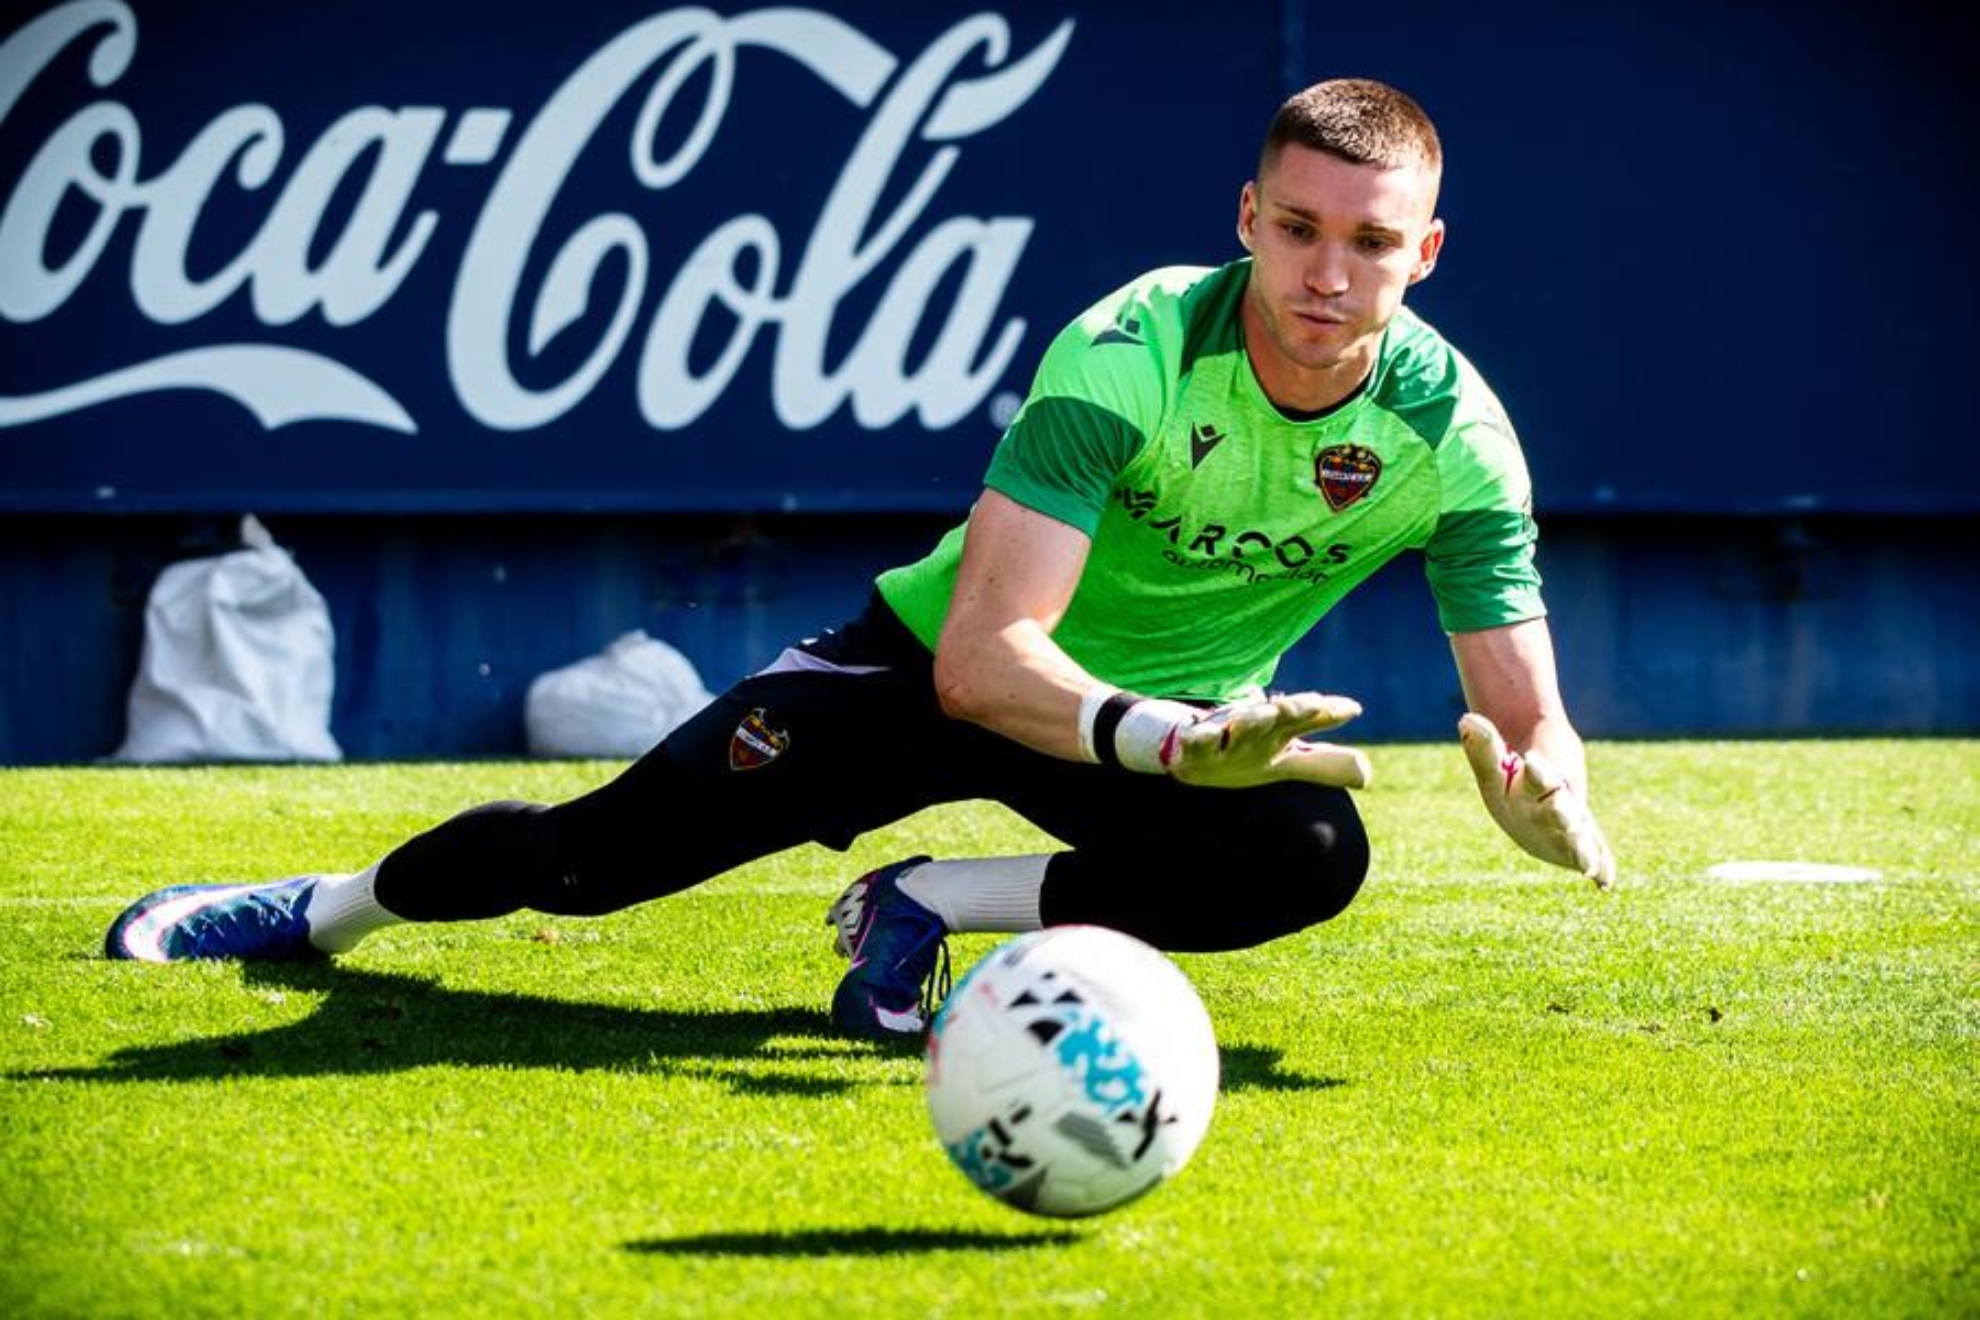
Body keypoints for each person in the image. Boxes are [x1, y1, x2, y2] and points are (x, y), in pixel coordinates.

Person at [105, 78, 1615, 1043]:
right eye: (1297, 229)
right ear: (1248, 219)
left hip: (1162, 736)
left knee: (1307, 853)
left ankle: (929, 904)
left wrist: (1546, 792)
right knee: (586, 865)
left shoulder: (1460, 441)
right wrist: (1170, 738)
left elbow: (1525, 713)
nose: (1328, 274)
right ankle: (320, 909)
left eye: (1371, 243)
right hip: (932, 677)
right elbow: (984, 664)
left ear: (1425, 252)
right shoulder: (1131, 352)